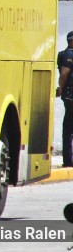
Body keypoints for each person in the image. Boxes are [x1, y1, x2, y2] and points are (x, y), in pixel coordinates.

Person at [58, 31, 73, 167]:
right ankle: (68, 159)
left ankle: (69, 159)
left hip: (69, 96)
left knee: (68, 128)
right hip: (70, 96)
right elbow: (64, 74)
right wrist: (61, 89)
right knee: (68, 128)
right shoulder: (69, 54)